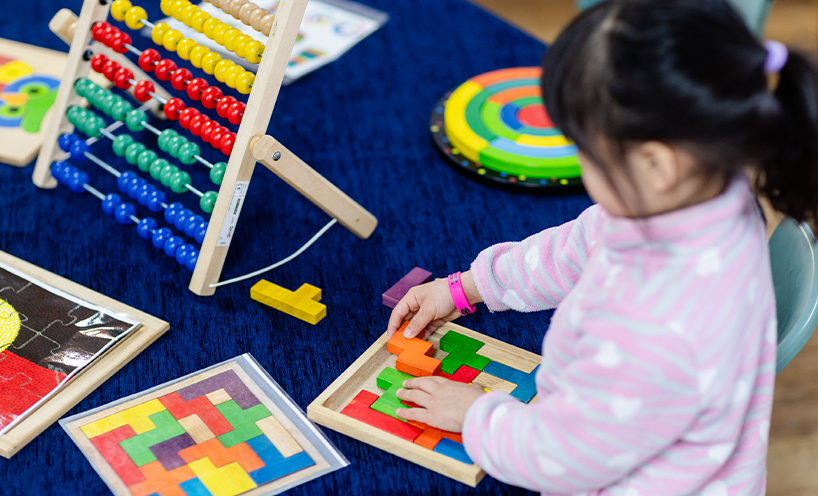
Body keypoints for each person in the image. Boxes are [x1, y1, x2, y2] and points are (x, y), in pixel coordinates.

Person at [386, 0, 818, 493]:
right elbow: (584, 243)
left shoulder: (654, 329)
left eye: (585, 153)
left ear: (657, 166)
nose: (581, 169)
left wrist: (475, 414)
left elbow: (563, 458)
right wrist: (467, 287)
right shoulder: (707, 190)